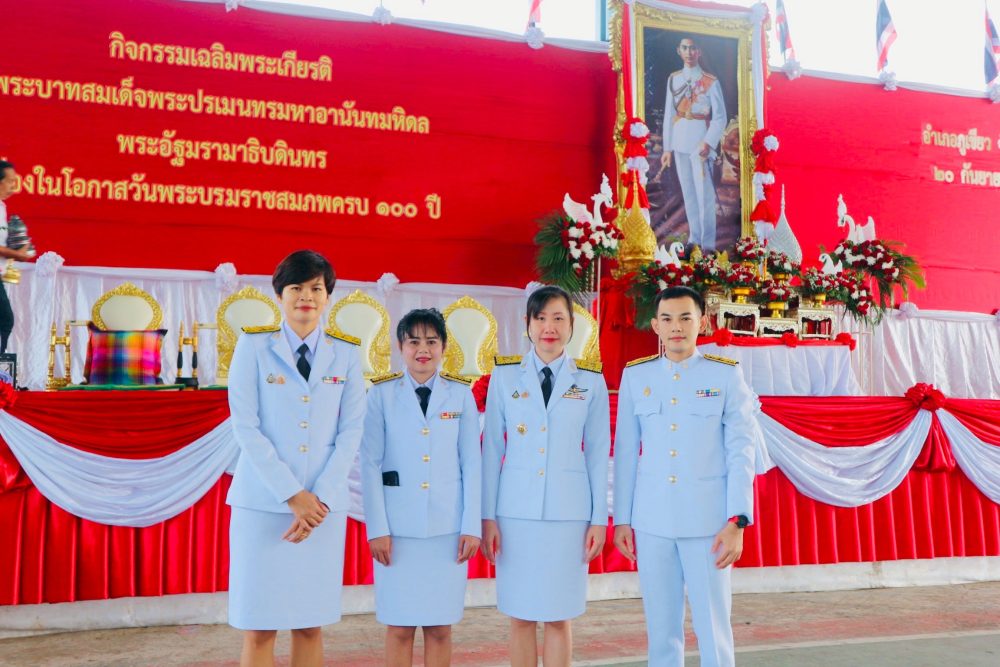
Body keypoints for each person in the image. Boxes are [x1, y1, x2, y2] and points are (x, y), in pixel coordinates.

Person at [226, 249, 365, 667]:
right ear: (279, 295)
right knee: (259, 626)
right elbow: (246, 426)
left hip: (322, 511)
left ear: (328, 297)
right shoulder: (253, 346)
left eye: (316, 289)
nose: (306, 297)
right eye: (296, 288)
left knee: (309, 624)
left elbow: (351, 431)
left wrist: (316, 499)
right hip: (263, 506)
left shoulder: (346, 353)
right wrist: (293, 495)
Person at [613, 286, 756, 667]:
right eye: (667, 319)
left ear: (702, 322)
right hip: (653, 521)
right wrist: (622, 519)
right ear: (655, 326)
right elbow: (625, 452)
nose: (676, 327)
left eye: (685, 318)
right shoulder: (636, 376)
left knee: (713, 627)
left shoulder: (725, 375)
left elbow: (741, 450)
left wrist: (738, 520)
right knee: (661, 631)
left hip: (709, 524)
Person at [481, 285, 610, 667]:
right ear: (528, 324)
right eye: (540, 318)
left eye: (558, 318)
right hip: (515, 514)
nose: (549, 327)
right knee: (520, 615)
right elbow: (492, 451)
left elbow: (598, 454)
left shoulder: (590, 380)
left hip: (568, 516)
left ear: (572, 325)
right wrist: (487, 517)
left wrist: (598, 519)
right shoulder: (505, 376)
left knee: (558, 615)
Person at [361, 307, 482, 667]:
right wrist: (377, 529)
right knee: (399, 627)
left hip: (447, 532)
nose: (423, 349)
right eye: (414, 342)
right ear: (401, 347)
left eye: (431, 341)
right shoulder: (381, 394)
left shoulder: (460, 394)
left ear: (444, 347)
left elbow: (472, 464)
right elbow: (369, 464)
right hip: (397, 533)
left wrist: (471, 526)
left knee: (440, 628)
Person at [660, 37, 726, 252]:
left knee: (704, 196)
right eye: (685, 48)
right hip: (680, 140)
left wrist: (708, 141)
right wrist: (667, 148)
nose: (689, 52)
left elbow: (720, 117)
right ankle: (694, 240)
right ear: (678, 51)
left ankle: (707, 245)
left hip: (700, 142)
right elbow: (670, 114)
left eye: (693, 48)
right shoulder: (674, 79)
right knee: (688, 193)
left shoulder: (710, 81)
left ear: (699, 52)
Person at [0, 160, 36, 354]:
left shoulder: (2, 207)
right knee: (5, 320)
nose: (13, 186)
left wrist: (17, 245)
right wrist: (18, 254)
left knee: (5, 320)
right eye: (10, 181)